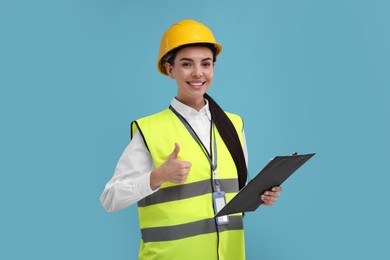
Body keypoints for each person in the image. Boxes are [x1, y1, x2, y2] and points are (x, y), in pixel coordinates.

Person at [100, 19, 282, 260]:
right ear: (169, 69)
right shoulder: (150, 130)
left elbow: (233, 192)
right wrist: (158, 176)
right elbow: (110, 199)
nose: (198, 73)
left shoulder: (234, 124)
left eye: (206, 64)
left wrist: (261, 196)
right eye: (187, 64)